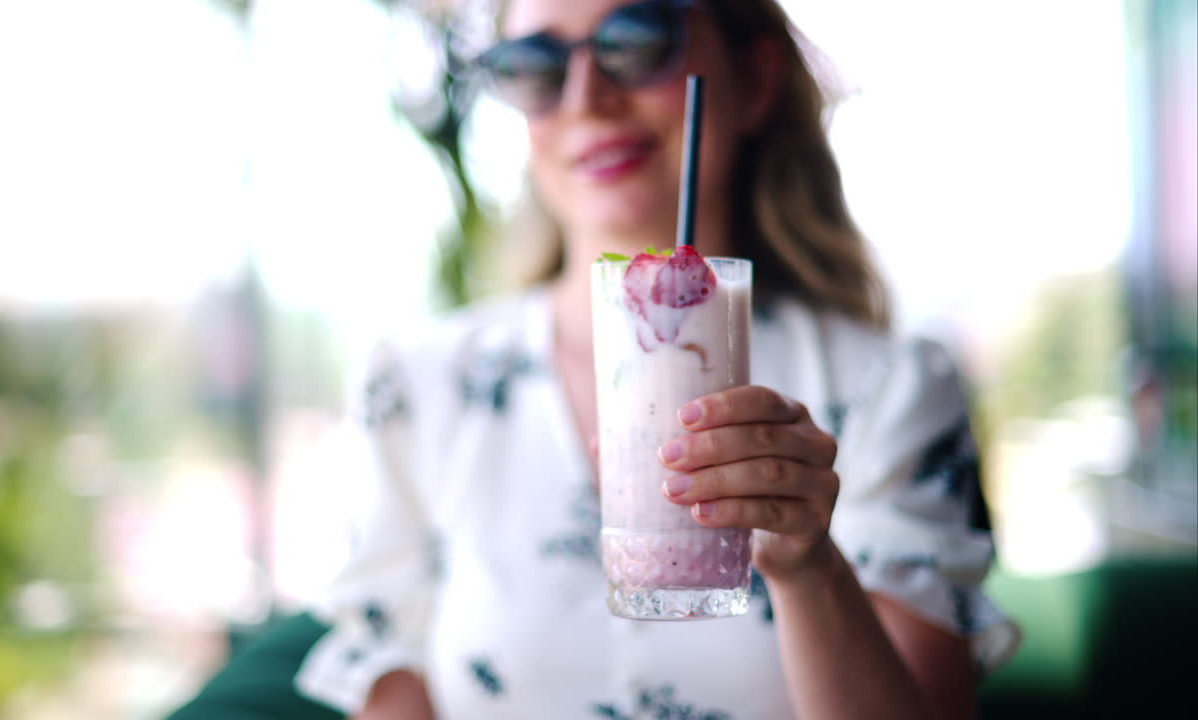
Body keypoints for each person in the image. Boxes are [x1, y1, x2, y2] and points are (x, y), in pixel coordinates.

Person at [173, 0, 1017, 718]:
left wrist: (808, 570)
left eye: (636, 41)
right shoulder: (419, 388)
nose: (587, 97)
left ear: (754, 80)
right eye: (534, 65)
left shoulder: (891, 390)